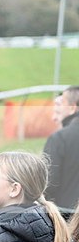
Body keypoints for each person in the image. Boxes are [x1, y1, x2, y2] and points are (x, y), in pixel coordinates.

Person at [44, 86, 79, 215]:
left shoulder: (59, 138)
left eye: (61, 102)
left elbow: (49, 182)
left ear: (72, 107)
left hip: (67, 216)